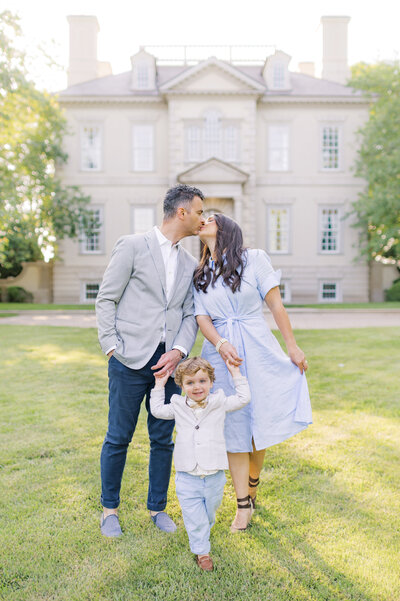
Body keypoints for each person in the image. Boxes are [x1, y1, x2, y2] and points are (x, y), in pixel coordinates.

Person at [95, 184, 205, 537]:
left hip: (168, 365)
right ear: (182, 212)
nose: (203, 218)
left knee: (164, 439)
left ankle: (158, 507)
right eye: (199, 211)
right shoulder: (132, 245)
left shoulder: (190, 263)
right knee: (118, 437)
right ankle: (109, 510)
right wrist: (111, 346)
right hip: (128, 359)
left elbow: (190, 315)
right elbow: (106, 299)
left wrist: (179, 352)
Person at [193, 213, 312, 532]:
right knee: (233, 428)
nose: (202, 220)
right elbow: (202, 317)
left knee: (258, 423)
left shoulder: (255, 259)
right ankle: (242, 506)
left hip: (257, 349)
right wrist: (219, 344)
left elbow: (276, 306)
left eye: (210, 217)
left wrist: (293, 346)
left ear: (226, 227)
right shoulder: (201, 272)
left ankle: (253, 485)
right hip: (221, 356)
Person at [150, 356, 250, 571]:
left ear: (211, 382)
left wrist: (235, 374)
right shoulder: (177, 405)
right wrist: (159, 385)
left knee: (209, 513)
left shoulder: (219, 402)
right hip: (187, 475)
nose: (197, 387)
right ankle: (202, 552)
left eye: (202, 381)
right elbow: (157, 410)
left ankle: (202, 532)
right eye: (190, 383)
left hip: (214, 474)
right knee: (194, 517)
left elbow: (243, 398)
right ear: (182, 385)